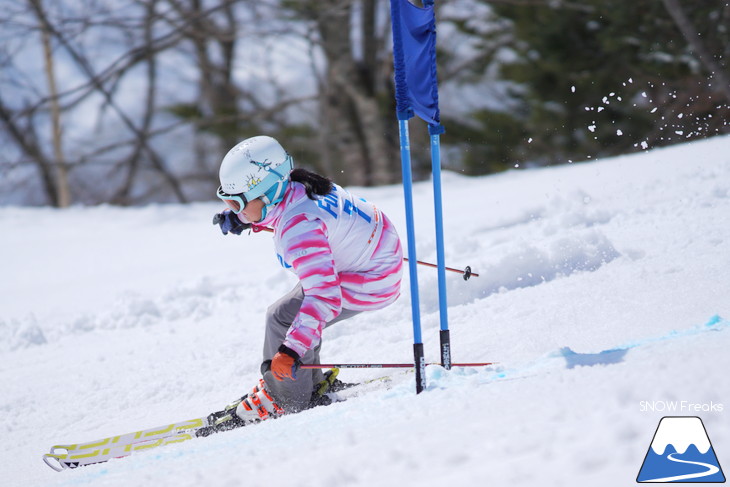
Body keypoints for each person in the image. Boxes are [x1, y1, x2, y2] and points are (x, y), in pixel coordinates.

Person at [213, 135, 403, 425]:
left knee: (284, 320)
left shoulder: (298, 228)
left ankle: (286, 399)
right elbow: (280, 206)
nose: (234, 209)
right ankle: (307, 384)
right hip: (372, 259)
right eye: (228, 202)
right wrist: (246, 218)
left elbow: (324, 296)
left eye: (237, 203)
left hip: (372, 279)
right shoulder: (299, 187)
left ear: (265, 193)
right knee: (287, 314)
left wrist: (291, 351)